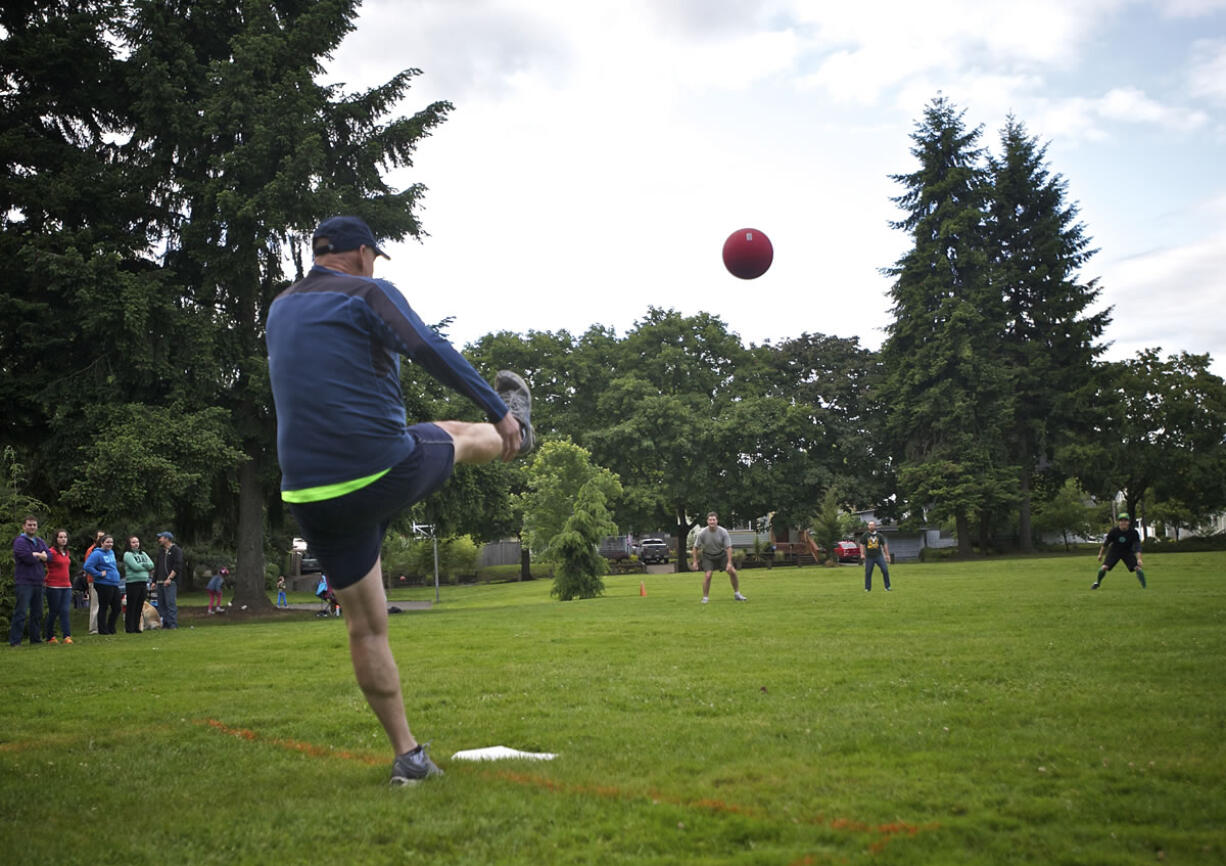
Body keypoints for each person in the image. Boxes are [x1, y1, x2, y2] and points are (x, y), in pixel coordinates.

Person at [266, 215, 535, 785]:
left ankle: (408, 757)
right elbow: (425, 345)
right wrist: (497, 406)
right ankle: (522, 431)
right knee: (459, 433)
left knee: (365, 626)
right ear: (364, 253)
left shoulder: (280, 307)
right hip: (376, 468)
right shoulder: (369, 290)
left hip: (310, 494)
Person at [10, 516, 50, 646]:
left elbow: (49, 556)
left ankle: (35, 639)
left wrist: (38, 555)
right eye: (29, 525)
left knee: (37, 612)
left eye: (34, 525)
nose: (32, 527)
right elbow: (26, 557)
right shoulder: (19, 541)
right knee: (21, 612)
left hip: (38, 581)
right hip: (24, 582)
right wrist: (40, 555)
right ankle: (15, 641)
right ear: (24, 526)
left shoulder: (39, 541)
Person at [691, 512, 746, 604]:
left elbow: (728, 547)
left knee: (732, 571)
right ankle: (705, 598)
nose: (712, 522)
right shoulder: (702, 533)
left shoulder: (723, 532)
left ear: (717, 521)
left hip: (721, 555)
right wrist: (695, 562)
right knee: (708, 575)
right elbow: (695, 547)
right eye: (710, 520)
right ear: (707, 521)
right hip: (708, 556)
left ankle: (737, 594)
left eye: (714, 520)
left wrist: (729, 562)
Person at [1093, 512, 1146, 590]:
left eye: (1125, 520)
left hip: (1127, 552)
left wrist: (1139, 559)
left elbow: (1137, 546)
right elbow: (1106, 544)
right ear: (1119, 522)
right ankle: (1097, 582)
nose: (1123, 522)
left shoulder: (1133, 532)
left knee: (1138, 568)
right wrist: (1100, 554)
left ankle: (1144, 588)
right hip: (1114, 551)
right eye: (1121, 520)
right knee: (1104, 567)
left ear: (1128, 522)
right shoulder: (1114, 531)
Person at [84, 535, 122, 635]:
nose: (109, 544)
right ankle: (103, 630)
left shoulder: (111, 552)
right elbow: (87, 566)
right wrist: (98, 574)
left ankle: (111, 627)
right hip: (103, 583)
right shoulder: (96, 554)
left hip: (113, 583)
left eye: (111, 542)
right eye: (107, 542)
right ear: (102, 543)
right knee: (104, 607)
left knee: (117, 607)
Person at [43, 529, 74, 644]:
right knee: (54, 611)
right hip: (53, 586)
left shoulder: (66, 552)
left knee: (65, 610)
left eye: (65, 537)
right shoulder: (51, 552)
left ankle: (67, 636)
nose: (63, 539)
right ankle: (50, 636)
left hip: (66, 586)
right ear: (56, 539)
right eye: (60, 537)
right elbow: (44, 559)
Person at [122, 536, 155, 633]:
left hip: (143, 582)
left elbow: (151, 565)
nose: (136, 544)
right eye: (133, 542)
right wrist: (145, 565)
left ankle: (137, 627)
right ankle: (129, 628)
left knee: (139, 606)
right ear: (129, 544)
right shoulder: (127, 555)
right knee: (131, 605)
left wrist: (144, 565)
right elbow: (135, 567)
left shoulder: (143, 553)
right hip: (132, 583)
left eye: (137, 542)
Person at [153, 531, 183, 628]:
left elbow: (178, 566)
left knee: (170, 603)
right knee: (161, 605)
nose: (159, 540)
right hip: (160, 581)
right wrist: (154, 581)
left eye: (161, 538)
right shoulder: (161, 551)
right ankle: (165, 624)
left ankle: (173, 624)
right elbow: (157, 567)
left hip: (170, 582)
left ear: (167, 538)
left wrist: (170, 578)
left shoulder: (176, 550)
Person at [859, 520, 892, 592]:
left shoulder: (879, 536)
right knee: (868, 572)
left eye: (872, 525)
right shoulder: (865, 535)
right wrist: (862, 554)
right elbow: (862, 544)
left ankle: (888, 586)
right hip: (869, 557)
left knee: (885, 570)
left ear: (875, 526)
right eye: (869, 525)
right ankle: (867, 588)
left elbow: (884, 545)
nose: (871, 526)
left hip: (878, 556)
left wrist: (887, 555)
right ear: (868, 526)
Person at [84, 529, 105, 635]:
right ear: (95, 538)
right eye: (99, 537)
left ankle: (101, 626)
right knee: (95, 605)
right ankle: (93, 628)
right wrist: (99, 574)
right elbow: (88, 566)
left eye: (103, 537)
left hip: (105, 581)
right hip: (94, 581)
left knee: (102, 604)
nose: (101, 539)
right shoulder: (91, 550)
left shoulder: (105, 550)